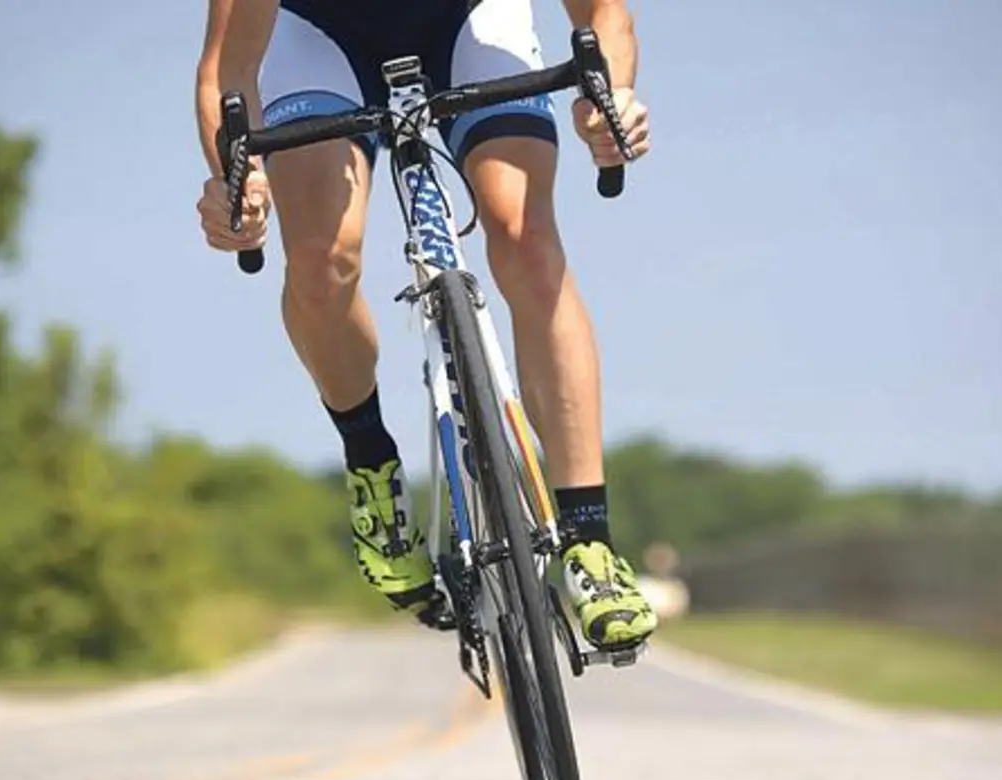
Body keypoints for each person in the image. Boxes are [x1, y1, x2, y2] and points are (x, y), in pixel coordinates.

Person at [193, 0, 657, 651]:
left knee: (524, 235)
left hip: (471, 18)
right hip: (321, 36)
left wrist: (609, 98)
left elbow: (604, 13)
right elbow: (227, 68)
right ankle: (372, 468)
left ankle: (589, 543)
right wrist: (233, 182)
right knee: (323, 260)